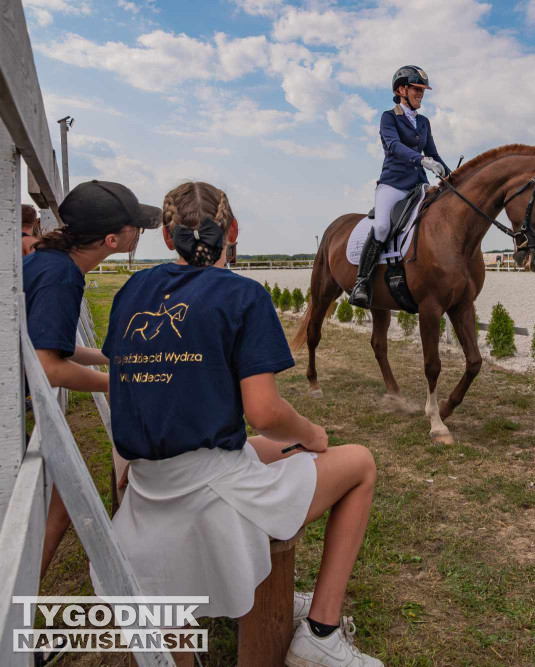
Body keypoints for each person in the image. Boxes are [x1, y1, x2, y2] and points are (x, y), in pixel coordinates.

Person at [96, 181, 381, 666]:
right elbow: (265, 413)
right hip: (211, 490)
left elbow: (132, 387)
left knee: (274, 450)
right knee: (359, 464)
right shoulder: (242, 296)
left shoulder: (131, 292)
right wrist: (310, 434)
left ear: (167, 239)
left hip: (151, 486)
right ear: (233, 231)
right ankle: (321, 633)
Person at [24, 180, 160, 576]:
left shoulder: (52, 261)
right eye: (135, 226)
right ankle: (14, 613)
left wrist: (110, 358)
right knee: (56, 509)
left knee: (59, 504)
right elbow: (49, 366)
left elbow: (50, 343)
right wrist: (117, 382)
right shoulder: (61, 276)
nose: (139, 233)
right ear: (113, 239)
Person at [349, 65, 450, 308]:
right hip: (393, 184)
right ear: (401, 89)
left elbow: (433, 153)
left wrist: (452, 175)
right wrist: (422, 160)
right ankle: (362, 282)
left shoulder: (424, 122)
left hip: (419, 186)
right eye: (417, 89)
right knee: (383, 226)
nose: (421, 94)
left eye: (423, 90)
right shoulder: (389, 117)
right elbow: (393, 145)